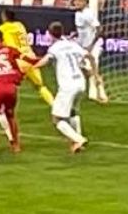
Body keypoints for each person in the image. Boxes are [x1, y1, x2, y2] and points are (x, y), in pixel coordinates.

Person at [31, 22, 99, 154]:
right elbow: (89, 56)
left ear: (50, 34)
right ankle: (78, 140)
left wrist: (33, 67)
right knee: (73, 111)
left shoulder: (55, 48)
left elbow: (46, 60)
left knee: (56, 118)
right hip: (80, 83)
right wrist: (95, 75)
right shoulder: (72, 44)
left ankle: (78, 139)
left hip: (68, 86)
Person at [0, 9, 55, 106]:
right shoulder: (20, 25)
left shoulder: (2, 28)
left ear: (4, 17)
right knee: (40, 86)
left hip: (17, 60)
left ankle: (6, 108)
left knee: (10, 86)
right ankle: (54, 105)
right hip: (30, 58)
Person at [72, 0, 107, 103]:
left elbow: (99, 29)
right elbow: (82, 30)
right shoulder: (77, 14)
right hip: (83, 46)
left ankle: (101, 93)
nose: (78, 3)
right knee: (84, 69)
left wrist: (91, 45)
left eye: (80, 1)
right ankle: (93, 91)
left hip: (93, 46)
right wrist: (74, 35)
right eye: (76, 0)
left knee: (92, 69)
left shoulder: (88, 14)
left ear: (85, 2)